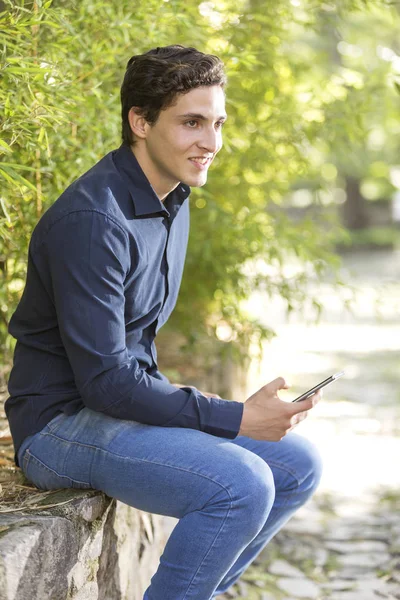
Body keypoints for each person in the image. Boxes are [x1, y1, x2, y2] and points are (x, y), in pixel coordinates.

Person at [5, 45, 322, 599]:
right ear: (141, 122)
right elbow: (105, 383)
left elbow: (135, 363)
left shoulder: (172, 198)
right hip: (58, 427)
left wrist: (221, 417)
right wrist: (233, 417)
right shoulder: (93, 221)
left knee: (297, 465)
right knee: (242, 484)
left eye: (218, 123)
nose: (212, 143)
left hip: (114, 407)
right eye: (192, 123)